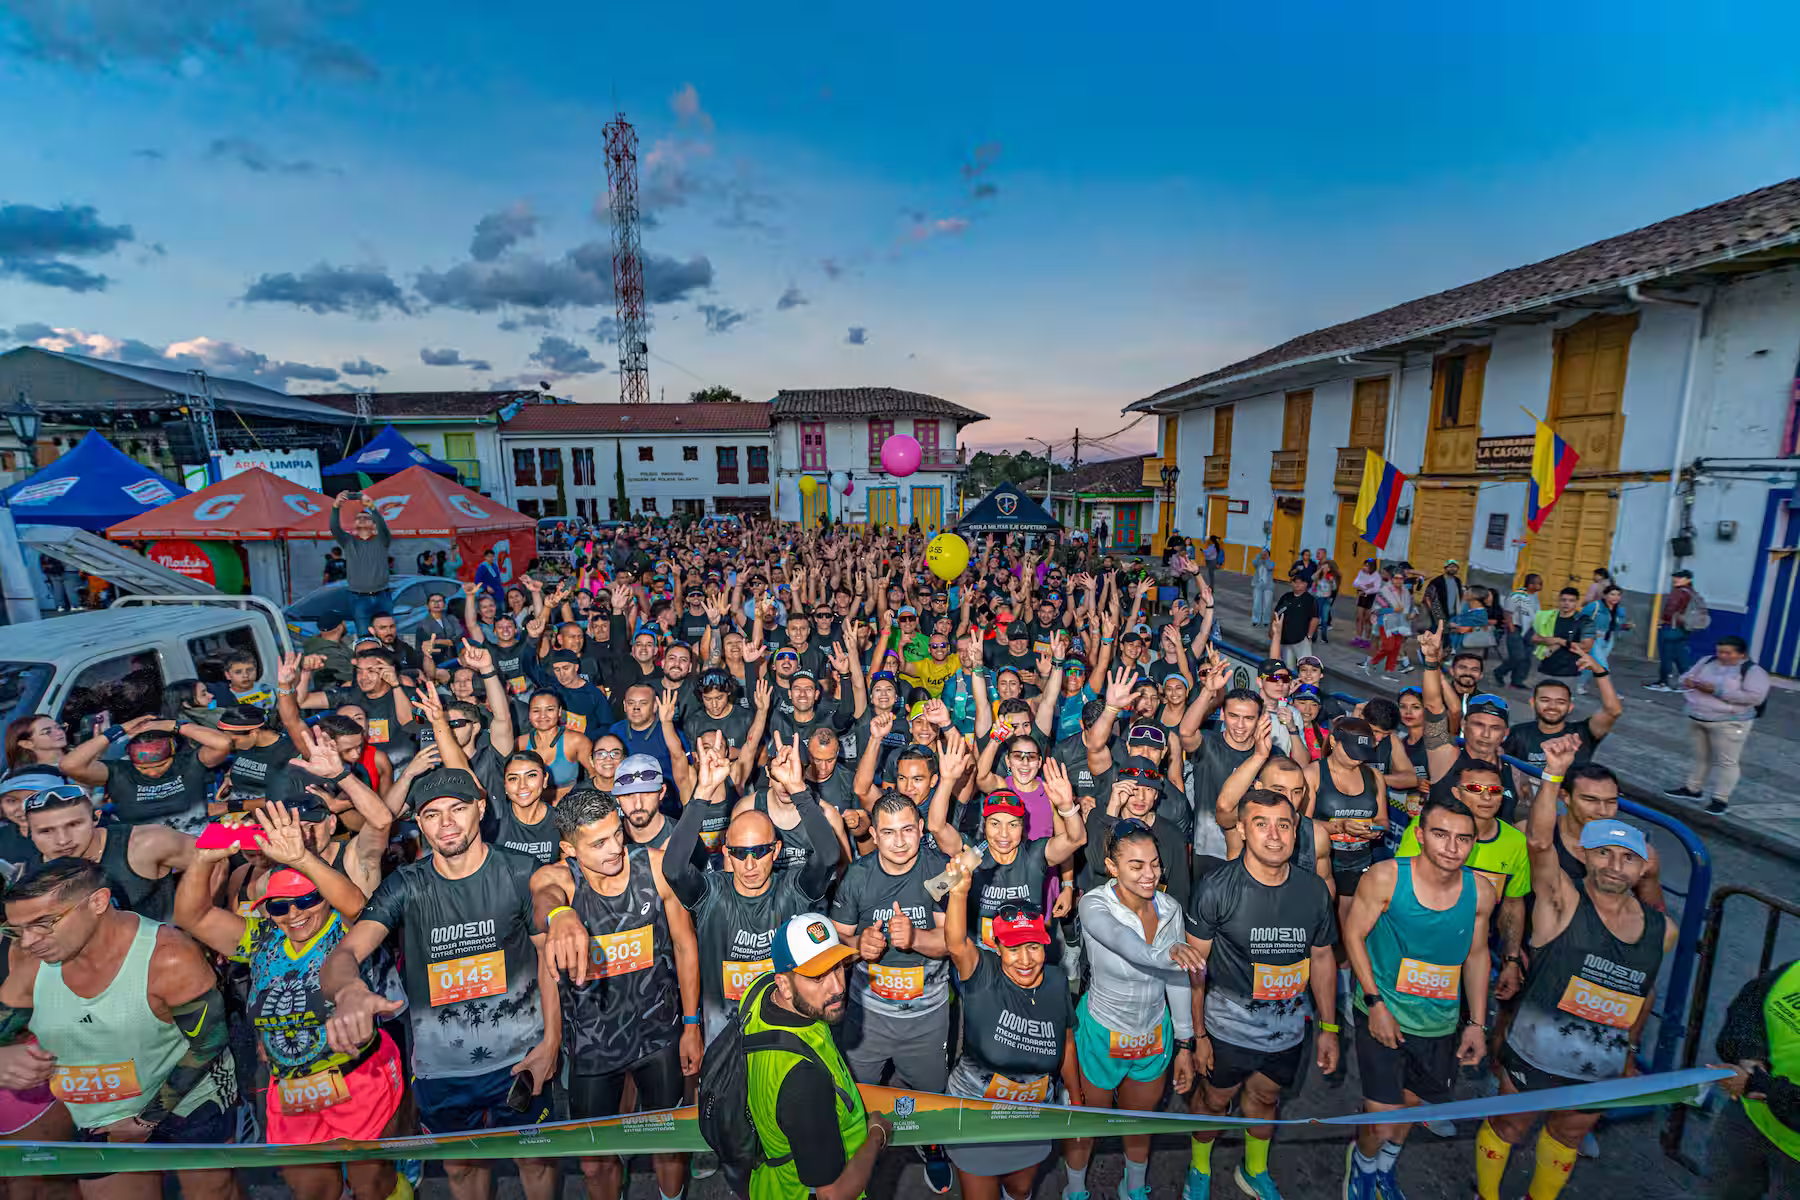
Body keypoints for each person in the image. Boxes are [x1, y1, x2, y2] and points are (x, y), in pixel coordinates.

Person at [321, 767, 559, 1200]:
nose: (446, 823)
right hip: (441, 1071)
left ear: (481, 809)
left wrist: (550, 1045)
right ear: (420, 823)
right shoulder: (406, 886)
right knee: (462, 1168)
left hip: (522, 1059)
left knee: (536, 1161)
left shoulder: (520, 871)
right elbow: (343, 955)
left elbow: (548, 961)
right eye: (431, 814)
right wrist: (348, 991)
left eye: (457, 808)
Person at [170, 803, 405, 1200]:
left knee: (373, 1189)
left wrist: (301, 859)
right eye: (279, 906)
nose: (294, 914)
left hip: (358, 1078)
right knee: (311, 1191)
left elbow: (357, 904)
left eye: (307, 900)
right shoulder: (262, 938)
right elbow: (192, 918)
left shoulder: (345, 926)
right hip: (292, 1090)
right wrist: (203, 861)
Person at [1476, 734, 1675, 1200]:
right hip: (1537, 1052)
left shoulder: (1661, 929)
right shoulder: (1562, 900)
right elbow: (1540, 844)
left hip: (1599, 1061)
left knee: (1567, 1135)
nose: (1614, 865)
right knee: (1509, 1124)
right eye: (1604, 852)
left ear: (1644, 868)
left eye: (1628, 858)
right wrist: (1553, 774)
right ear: (1585, 856)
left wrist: (1629, 1051)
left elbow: (1644, 993)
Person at [0, 858, 239, 1200]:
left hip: (191, 1100)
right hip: (103, 1115)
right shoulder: (32, 960)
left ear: (97, 903)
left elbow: (208, 1044)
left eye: (43, 923)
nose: (27, 942)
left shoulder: (167, 956)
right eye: (16, 930)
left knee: (212, 1192)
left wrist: (144, 1122)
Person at [532, 788, 702, 1200]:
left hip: (658, 1034)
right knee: (594, 1162)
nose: (616, 849)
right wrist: (561, 915)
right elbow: (544, 896)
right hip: (593, 1045)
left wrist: (692, 1026)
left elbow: (685, 946)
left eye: (617, 833)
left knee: (669, 1145)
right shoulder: (559, 881)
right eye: (599, 843)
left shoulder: (657, 868)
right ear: (569, 849)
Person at [1182, 787, 1339, 1200]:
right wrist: (1195, 1037)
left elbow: (1322, 959)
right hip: (1227, 1026)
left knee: (1266, 1096)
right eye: (1261, 824)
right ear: (1244, 832)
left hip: (1288, 1025)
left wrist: (1329, 1027)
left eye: (1284, 825)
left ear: (1296, 832)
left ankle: (1253, 1170)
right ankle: (1198, 1168)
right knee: (1215, 1102)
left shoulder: (1314, 891)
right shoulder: (1215, 888)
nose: (1274, 835)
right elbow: (1194, 970)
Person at [1341, 797, 1495, 1200]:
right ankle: (1361, 1166)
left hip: (1439, 1023)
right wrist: (1374, 1003)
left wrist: (1477, 1024)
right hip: (1384, 1014)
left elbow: (1478, 954)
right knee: (1382, 1119)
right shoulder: (1386, 878)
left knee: (1410, 1108)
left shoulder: (1481, 892)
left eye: (1463, 839)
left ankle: (1384, 1170)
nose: (1452, 846)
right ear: (1421, 835)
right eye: (1441, 834)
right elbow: (1353, 934)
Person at [1063, 821, 1202, 1200]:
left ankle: (1134, 1188)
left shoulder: (1170, 908)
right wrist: (1168, 953)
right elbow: (1128, 945)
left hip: (1154, 1036)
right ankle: (1075, 1191)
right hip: (1101, 1035)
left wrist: (1186, 1045)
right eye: (1136, 865)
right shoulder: (1093, 905)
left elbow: (1176, 979)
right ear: (1112, 866)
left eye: (1155, 864)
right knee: (1086, 1123)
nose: (1149, 874)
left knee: (1139, 1124)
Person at [829, 791, 955, 1193]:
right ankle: (851, 1153)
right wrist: (857, 949)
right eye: (888, 833)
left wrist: (916, 937)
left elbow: (953, 942)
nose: (899, 842)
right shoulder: (858, 876)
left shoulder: (940, 870)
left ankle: (931, 1145)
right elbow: (836, 943)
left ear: (921, 829)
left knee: (932, 1094)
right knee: (854, 1096)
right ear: (875, 835)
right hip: (868, 1018)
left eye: (907, 830)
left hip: (927, 1017)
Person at [939, 848, 1076, 1200]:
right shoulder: (982, 975)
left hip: (1033, 1115)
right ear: (997, 947)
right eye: (1014, 948)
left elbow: (1066, 1041)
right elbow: (956, 944)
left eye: (1034, 947)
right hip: (975, 1115)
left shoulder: (1057, 981)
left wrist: (1076, 1097)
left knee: (1021, 1188)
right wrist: (958, 892)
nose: (1026, 960)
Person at [740, 913, 893, 1200]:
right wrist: (876, 1137)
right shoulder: (804, 1082)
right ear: (784, 984)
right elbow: (832, 1194)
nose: (837, 987)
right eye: (817, 976)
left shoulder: (758, 992)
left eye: (837, 968)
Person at [1707, 956, 1800, 1198]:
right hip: (1748, 1119)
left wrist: (1758, 1085)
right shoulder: (1795, 969)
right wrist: (1749, 1057)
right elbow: (1750, 1006)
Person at [1664, 635, 1771, 816]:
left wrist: (1717, 691)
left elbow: (1754, 697)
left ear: (1742, 654)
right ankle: (1693, 789)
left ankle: (1720, 799)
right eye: (1719, 651)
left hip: (1729, 722)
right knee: (1701, 757)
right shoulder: (1707, 661)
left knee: (1727, 762)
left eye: (1728, 653)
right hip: (1697, 717)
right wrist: (1688, 681)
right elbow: (1685, 677)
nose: (1722, 656)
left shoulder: (1753, 671)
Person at [330, 491, 394, 636]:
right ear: (354, 524)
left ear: (373, 524)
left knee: (387, 636)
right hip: (358, 598)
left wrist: (372, 507)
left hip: (382, 595)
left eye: (366, 517)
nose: (362, 519)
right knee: (364, 635)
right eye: (359, 518)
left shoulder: (382, 540)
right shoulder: (348, 541)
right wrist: (336, 507)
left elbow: (383, 526)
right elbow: (334, 528)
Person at [1649, 568, 1703, 691]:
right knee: (1680, 656)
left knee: (1666, 656)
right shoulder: (1692, 592)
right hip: (1684, 628)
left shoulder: (1678, 592)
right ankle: (1686, 683)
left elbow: (1670, 610)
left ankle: (1664, 683)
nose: (1675, 579)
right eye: (1675, 577)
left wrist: (1663, 620)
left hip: (1671, 628)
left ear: (1688, 580)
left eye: (1680, 577)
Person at [1495, 574, 1542, 690]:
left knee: (1527, 657)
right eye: (1539, 583)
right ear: (1530, 584)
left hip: (1530, 629)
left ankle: (1517, 680)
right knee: (1518, 656)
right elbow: (1507, 612)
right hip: (1516, 627)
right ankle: (1499, 672)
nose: (1541, 586)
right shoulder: (1517, 595)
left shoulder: (1535, 596)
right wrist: (1511, 627)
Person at [1269, 577, 1318, 669]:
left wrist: (1309, 636)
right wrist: (1272, 630)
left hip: (1301, 640)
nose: (1297, 585)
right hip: (1285, 640)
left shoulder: (1310, 599)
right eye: (1295, 582)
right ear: (1291, 583)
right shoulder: (1286, 597)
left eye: (1301, 582)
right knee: (1288, 668)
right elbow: (1276, 614)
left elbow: (1315, 618)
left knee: (1306, 666)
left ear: (1306, 584)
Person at [1250, 547, 1275, 627]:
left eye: (1266, 554)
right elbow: (1254, 563)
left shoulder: (1271, 563)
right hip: (1258, 584)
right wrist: (1259, 555)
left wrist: (1266, 559)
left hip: (1268, 586)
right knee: (1256, 603)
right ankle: (1255, 620)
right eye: (1263, 553)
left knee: (1267, 604)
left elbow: (1269, 567)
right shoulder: (1258, 562)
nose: (1264, 555)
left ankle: (1266, 620)